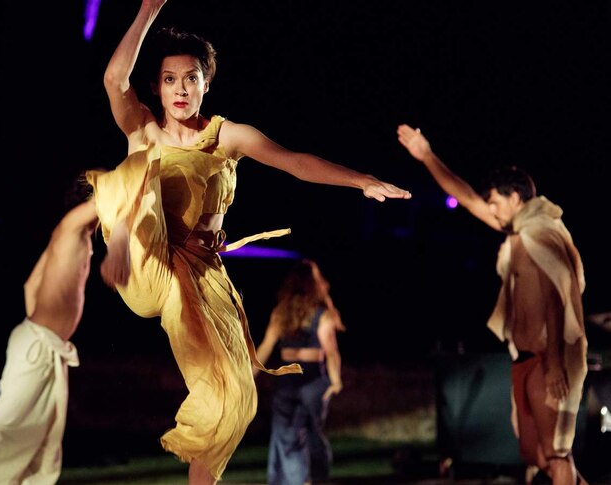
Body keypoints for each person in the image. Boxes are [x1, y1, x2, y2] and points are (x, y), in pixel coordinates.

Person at [86, 1, 412, 483]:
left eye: (191, 78)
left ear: (206, 84)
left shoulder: (227, 136)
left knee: (233, 395)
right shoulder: (144, 128)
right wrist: (146, 10)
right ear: (156, 86)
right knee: (138, 162)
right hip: (144, 260)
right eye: (170, 79)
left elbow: (294, 161)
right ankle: (120, 240)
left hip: (199, 276)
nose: (180, 88)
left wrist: (359, 180)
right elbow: (115, 81)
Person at [396, 124, 588, 485]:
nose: (492, 210)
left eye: (496, 202)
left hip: (551, 359)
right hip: (525, 358)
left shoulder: (541, 232)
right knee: (538, 455)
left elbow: (556, 293)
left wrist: (557, 365)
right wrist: (426, 156)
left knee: (557, 455)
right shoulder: (518, 232)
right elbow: (467, 198)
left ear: (515, 198)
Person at [0, 196, 98, 485]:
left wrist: (42, 327)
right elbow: (109, 190)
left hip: (39, 342)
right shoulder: (69, 228)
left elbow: (30, 286)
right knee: (9, 432)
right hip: (38, 344)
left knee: (41, 443)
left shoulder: (69, 236)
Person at [254, 259, 346, 485]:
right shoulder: (318, 314)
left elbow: (265, 347)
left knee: (291, 434)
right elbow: (332, 351)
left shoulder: (285, 313)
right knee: (307, 432)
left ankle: (301, 478)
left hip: (297, 378)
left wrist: (249, 376)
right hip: (309, 378)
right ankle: (308, 478)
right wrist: (335, 381)